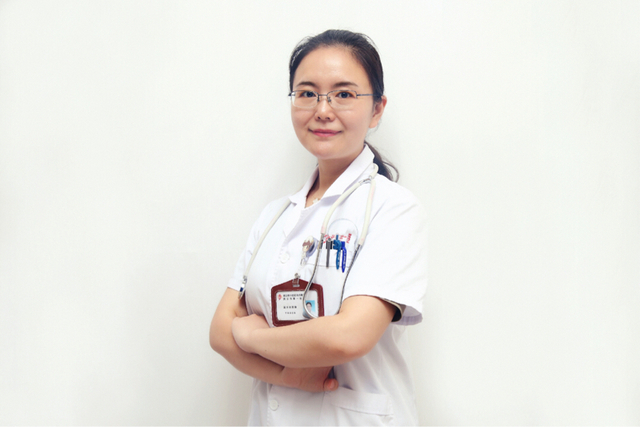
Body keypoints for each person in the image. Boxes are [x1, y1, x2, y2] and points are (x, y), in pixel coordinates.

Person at [209, 29, 427, 426]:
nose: (322, 110)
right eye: (307, 93)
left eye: (343, 94)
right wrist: (287, 375)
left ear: (377, 109)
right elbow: (220, 332)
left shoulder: (393, 208)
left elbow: (348, 336)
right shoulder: (274, 215)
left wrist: (250, 335)